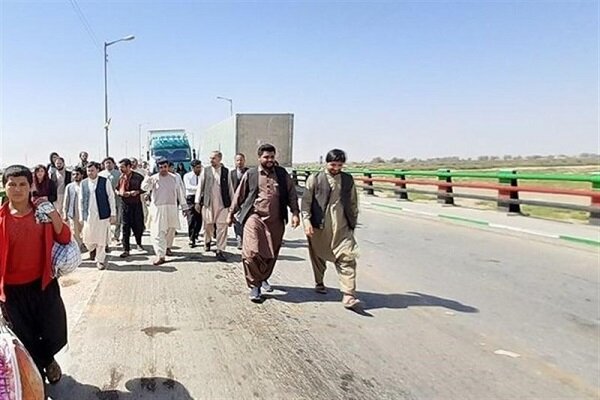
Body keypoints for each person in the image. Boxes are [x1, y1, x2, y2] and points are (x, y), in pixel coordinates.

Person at [0, 165, 71, 383]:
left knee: (55, 331)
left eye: (22, 184)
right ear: (4, 187)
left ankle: (48, 359)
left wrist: (53, 214)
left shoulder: (43, 212)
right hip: (12, 292)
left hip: (43, 285)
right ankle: (38, 377)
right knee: (24, 337)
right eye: (12, 184)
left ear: (30, 185)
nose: (18, 189)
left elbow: (65, 237)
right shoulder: (1, 219)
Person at [227, 144, 300, 302]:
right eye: (266, 157)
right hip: (255, 218)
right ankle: (254, 285)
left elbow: (292, 194)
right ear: (259, 157)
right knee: (251, 253)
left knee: (270, 253)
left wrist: (295, 212)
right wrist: (231, 213)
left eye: (272, 157)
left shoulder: (281, 174)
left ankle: (263, 278)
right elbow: (239, 195)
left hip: (276, 220)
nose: (269, 160)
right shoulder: (251, 174)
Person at [302, 149, 361, 310]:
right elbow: (306, 203)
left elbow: (354, 202)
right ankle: (319, 281)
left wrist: (352, 222)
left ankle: (348, 294)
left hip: (342, 225)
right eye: (332, 164)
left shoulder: (348, 180)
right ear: (326, 163)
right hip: (320, 225)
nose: (336, 168)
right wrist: (306, 221)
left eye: (339, 165)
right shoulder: (315, 179)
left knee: (347, 257)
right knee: (318, 255)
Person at [142, 157, 187, 265]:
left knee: (170, 230)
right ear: (157, 168)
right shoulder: (153, 178)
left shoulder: (175, 177)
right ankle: (160, 255)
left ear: (168, 167)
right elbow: (144, 187)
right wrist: (147, 176)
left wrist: (184, 207)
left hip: (171, 207)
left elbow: (180, 193)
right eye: (161, 167)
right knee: (157, 232)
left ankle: (167, 247)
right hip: (158, 208)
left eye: (165, 167)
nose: (163, 169)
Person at [195, 151, 234, 262]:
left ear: (220, 159)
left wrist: (233, 205)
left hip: (223, 204)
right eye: (210, 158)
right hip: (208, 204)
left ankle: (220, 250)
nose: (211, 160)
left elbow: (230, 188)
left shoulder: (226, 172)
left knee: (222, 227)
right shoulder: (205, 171)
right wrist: (197, 202)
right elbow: (200, 187)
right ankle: (207, 241)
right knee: (208, 225)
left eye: (214, 158)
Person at [79, 162, 116, 270]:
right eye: (88, 171)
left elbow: (111, 198)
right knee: (87, 238)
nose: (90, 173)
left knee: (101, 239)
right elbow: (81, 201)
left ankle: (100, 260)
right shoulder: (83, 183)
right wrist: (81, 216)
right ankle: (92, 249)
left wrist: (113, 214)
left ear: (97, 170)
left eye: (92, 170)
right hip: (88, 215)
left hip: (102, 215)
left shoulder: (105, 181)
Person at [117, 159, 146, 258]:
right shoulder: (121, 177)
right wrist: (119, 193)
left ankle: (139, 243)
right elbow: (117, 188)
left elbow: (145, 188)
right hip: (124, 205)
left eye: (123, 167)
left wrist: (137, 192)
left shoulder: (138, 177)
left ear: (129, 166)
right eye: (120, 167)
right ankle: (126, 249)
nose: (121, 169)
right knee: (125, 227)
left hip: (136, 204)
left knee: (138, 225)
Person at [99, 157, 122, 244]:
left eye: (110, 163)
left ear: (113, 164)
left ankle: (116, 237)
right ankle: (106, 238)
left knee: (118, 219)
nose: (108, 164)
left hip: (117, 199)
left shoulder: (119, 174)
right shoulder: (100, 175)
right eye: (106, 163)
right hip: (105, 200)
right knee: (106, 220)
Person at [229, 153, 249, 249]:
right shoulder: (231, 173)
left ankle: (245, 239)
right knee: (236, 221)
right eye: (237, 160)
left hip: (246, 201)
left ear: (244, 161)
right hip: (235, 201)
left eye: (241, 160)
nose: (239, 162)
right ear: (235, 161)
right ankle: (239, 239)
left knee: (245, 221)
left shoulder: (249, 172)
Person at [63, 167, 85, 249]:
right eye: (73, 174)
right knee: (74, 231)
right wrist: (65, 213)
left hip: (84, 212)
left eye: (77, 174)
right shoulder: (69, 186)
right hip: (73, 212)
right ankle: (78, 247)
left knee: (85, 230)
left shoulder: (85, 185)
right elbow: (66, 201)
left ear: (82, 175)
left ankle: (86, 244)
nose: (75, 176)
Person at [183, 160, 203, 248]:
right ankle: (191, 238)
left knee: (199, 219)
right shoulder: (187, 176)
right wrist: (199, 188)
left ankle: (196, 234)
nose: (199, 169)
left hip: (201, 199)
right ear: (193, 168)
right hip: (191, 198)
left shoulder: (203, 176)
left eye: (200, 167)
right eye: (197, 167)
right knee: (191, 218)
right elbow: (188, 187)